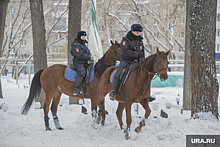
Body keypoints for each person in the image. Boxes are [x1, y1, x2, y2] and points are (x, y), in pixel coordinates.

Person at [109, 24, 145, 100]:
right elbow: (125, 52)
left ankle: (147, 93)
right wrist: (137, 54)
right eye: (137, 32)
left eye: (139, 32)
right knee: (119, 73)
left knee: (145, 74)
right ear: (132, 31)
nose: (138, 34)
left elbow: (142, 52)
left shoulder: (140, 41)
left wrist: (143, 59)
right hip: (126, 60)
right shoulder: (125, 40)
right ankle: (113, 91)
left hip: (138, 61)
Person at [70, 31, 94, 96]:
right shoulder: (76, 45)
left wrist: (91, 57)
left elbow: (88, 53)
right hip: (78, 62)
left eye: (84, 36)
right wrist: (89, 57)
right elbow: (80, 55)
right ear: (79, 37)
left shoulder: (84, 44)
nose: (83, 38)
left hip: (85, 62)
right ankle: (76, 89)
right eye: (82, 36)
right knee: (82, 72)